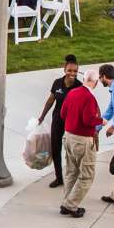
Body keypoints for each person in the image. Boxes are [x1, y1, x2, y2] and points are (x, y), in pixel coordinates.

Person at [57, 69, 103, 219]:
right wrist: (101, 121)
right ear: (95, 82)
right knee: (87, 175)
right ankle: (70, 205)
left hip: (68, 137)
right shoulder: (89, 97)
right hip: (83, 140)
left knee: (71, 172)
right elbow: (88, 120)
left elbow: (63, 113)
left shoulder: (73, 93)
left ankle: (67, 202)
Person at [42, 55, 84, 188]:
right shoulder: (57, 83)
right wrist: (42, 115)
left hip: (71, 124)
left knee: (71, 151)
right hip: (57, 121)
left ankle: (72, 177)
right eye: (70, 70)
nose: (72, 74)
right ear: (64, 69)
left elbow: (82, 107)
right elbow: (51, 100)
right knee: (55, 149)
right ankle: (59, 178)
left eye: (75, 71)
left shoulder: (79, 86)